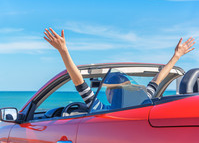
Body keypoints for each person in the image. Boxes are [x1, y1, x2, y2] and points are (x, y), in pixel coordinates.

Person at [44, 28, 195, 111]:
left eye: (108, 89)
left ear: (110, 93)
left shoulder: (100, 110)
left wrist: (63, 51)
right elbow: (158, 80)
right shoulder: (144, 103)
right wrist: (176, 56)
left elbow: (79, 82)